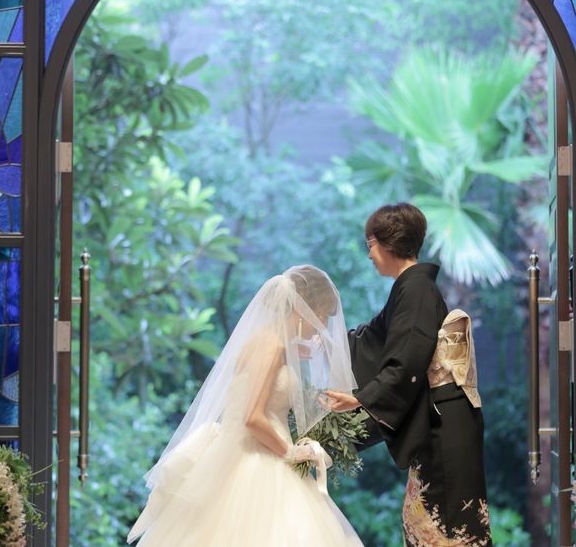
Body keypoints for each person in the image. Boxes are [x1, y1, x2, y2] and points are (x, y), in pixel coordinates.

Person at [127, 265, 363, 546]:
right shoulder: (272, 346)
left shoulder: (267, 341)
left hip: (243, 453)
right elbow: (252, 417)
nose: (321, 325)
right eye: (322, 315)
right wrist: (292, 452)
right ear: (304, 309)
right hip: (260, 458)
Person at [326, 203, 492, 546]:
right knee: (432, 524)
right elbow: (371, 339)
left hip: (444, 422)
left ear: (389, 242)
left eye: (370, 244)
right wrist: (323, 344)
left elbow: (408, 360)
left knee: (447, 528)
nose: (369, 254)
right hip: (439, 418)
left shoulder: (416, 290)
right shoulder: (410, 288)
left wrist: (362, 398)